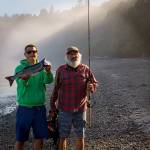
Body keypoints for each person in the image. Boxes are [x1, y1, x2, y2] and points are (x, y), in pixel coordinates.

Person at [50, 46, 98, 150]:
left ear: (79, 55)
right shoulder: (60, 70)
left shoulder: (86, 69)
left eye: (75, 53)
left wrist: (92, 86)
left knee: (81, 136)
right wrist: (53, 107)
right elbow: (55, 89)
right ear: (66, 56)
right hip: (64, 110)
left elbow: (94, 82)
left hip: (81, 109)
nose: (73, 56)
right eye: (70, 54)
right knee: (62, 136)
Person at [15, 44, 53, 150]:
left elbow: (48, 80)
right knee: (20, 139)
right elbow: (20, 85)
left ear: (37, 53)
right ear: (25, 54)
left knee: (39, 139)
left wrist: (48, 72)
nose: (32, 53)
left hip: (39, 108)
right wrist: (24, 79)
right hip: (24, 108)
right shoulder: (19, 68)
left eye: (34, 51)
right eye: (29, 52)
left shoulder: (42, 66)